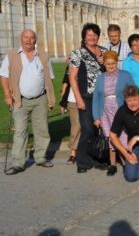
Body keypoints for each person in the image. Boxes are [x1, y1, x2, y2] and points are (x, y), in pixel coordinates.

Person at [1, 29, 56, 175]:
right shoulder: (12, 55)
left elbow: (49, 77)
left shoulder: (43, 55)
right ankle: (18, 163)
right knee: (20, 131)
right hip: (20, 99)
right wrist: (7, 95)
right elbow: (4, 76)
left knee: (42, 130)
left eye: (32, 38)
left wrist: (50, 98)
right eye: (26, 37)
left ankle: (40, 157)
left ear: (35, 40)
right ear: (21, 39)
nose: (28, 40)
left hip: (40, 99)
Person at [69, 23, 107, 173]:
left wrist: (104, 63)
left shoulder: (104, 52)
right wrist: (78, 99)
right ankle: (83, 161)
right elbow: (72, 78)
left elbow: (112, 70)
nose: (92, 37)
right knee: (87, 128)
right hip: (86, 96)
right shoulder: (77, 53)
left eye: (95, 35)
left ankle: (99, 158)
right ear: (84, 37)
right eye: (89, 35)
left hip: (103, 97)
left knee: (102, 129)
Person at [92, 51, 134, 176]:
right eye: (108, 64)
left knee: (122, 137)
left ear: (117, 63)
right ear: (104, 64)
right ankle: (112, 164)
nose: (111, 66)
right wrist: (96, 117)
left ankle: (126, 162)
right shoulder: (100, 78)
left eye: (113, 63)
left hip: (121, 110)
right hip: (105, 111)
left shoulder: (125, 75)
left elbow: (133, 92)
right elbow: (96, 98)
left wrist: (132, 108)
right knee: (110, 137)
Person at [60, 56, 80, 165]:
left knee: (86, 126)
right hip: (72, 100)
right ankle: (73, 152)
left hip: (87, 99)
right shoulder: (70, 68)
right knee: (76, 126)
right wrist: (63, 102)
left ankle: (84, 151)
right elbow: (65, 84)